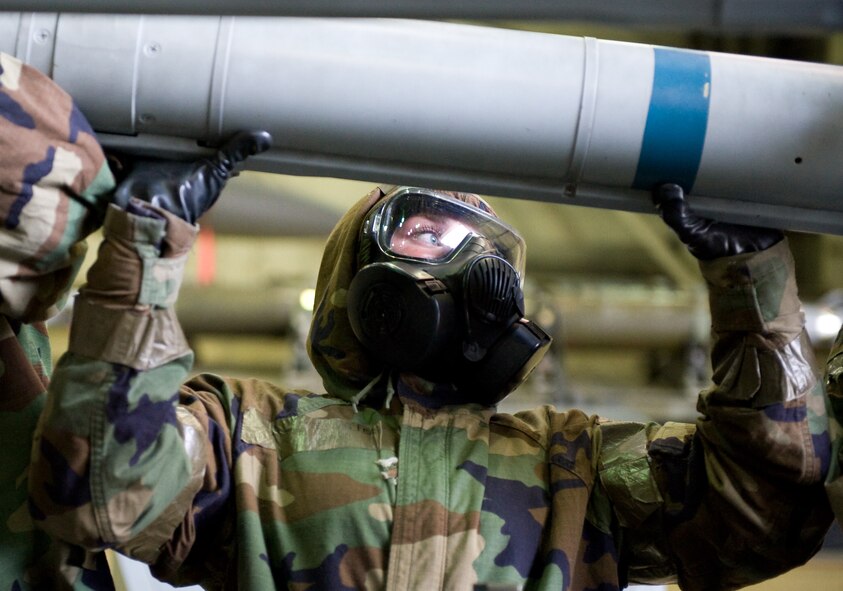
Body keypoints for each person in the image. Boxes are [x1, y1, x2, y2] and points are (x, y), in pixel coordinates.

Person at [23, 135, 838, 589]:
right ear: (359, 277)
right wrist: (146, 243)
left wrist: (752, 281)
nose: (467, 267)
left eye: (484, 251)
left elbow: (761, 512)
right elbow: (98, 490)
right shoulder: (251, 433)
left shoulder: (572, 462)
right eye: (428, 233)